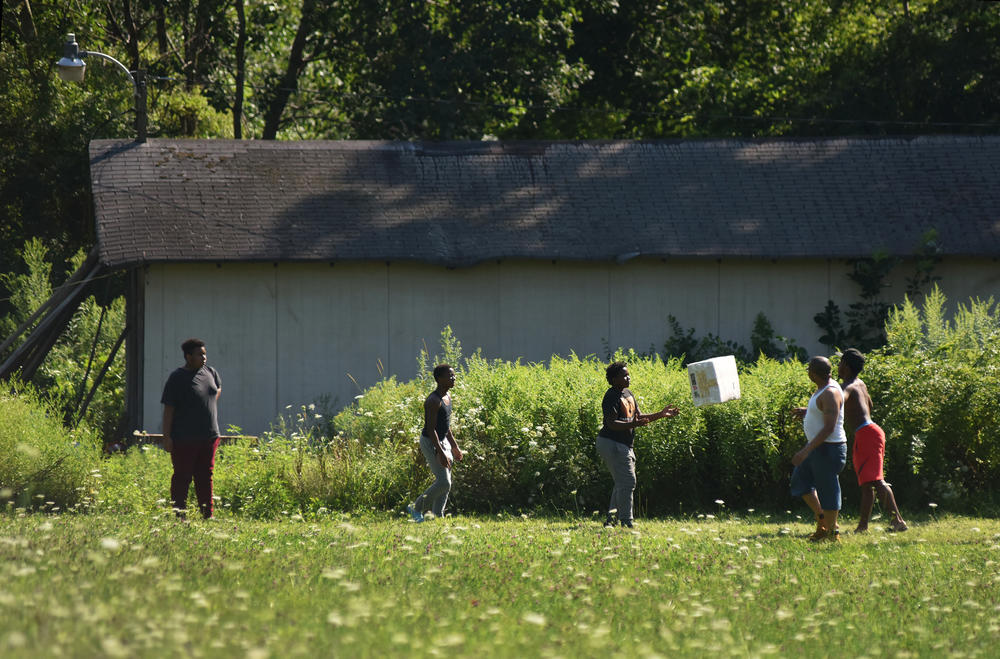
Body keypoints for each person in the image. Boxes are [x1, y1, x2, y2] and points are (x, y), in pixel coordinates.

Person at [596, 361, 678, 528]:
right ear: (613, 379)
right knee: (627, 481)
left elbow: (639, 418)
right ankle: (626, 521)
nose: (628, 377)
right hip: (611, 443)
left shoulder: (628, 393)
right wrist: (633, 425)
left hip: (623, 444)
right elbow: (611, 424)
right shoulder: (611, 396)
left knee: (622, 482)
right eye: (624, 375)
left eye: (628, 374)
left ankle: (611, 521)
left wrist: (661, 414)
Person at [839, 348, 907, 533]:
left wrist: (810, 409)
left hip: (867, 434)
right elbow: (869, 404)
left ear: (845, 365)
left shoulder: (847, 386)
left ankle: (897, 521)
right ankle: (863, 526)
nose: (838, 366)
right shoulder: (861, 384)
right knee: (867, 483)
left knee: (876, 481)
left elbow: (838, 401)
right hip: (872, 431)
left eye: (840, 362)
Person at [161, 338, 222, 520]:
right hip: (184, 438)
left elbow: (217, 389)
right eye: (199, 354)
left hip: (209, 436)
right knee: (183, 477)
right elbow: (168, 409)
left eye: (204, 353)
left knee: (205, 476)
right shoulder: (177, 378)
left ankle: (207, 515)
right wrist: (167, 437)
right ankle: (180, 515)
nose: (204, 357)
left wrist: (206, 404)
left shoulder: (210, 372)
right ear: (188, 357)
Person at [790, 356, 848, 542]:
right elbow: (826, 412)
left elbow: (829, 427)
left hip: (829, 449)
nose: (807, 372)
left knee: (828, 489)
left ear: (813, 373)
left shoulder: (830, 392)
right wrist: (808, 412)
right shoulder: (824, 388)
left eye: (809, 369)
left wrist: (806, 450)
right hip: (818, 448)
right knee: (800, 481)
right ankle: (823, 520)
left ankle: (832, 533)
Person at [407, 364, 464, 522]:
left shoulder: (447, 397)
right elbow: (431, 430)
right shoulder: (433, 401)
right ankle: (416, 507)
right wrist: (440, 452)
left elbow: (445, 426)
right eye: (450, 376)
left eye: (453, 375)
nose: (453, 378)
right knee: (443, 482)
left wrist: (454, 446)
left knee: (446, 483)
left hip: (442, 440)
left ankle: (437, 516)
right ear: (439, 379)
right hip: (430, 441)